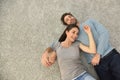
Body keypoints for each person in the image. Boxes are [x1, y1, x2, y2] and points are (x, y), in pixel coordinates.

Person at [41, 12, 120, 80]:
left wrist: (98, 54)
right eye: (67, 20)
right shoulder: (73, 38)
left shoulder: (90, 22)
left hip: (110, 55)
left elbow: (104, 33)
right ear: (67, 27)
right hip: (98, 65)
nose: (70, 19)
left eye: (70, 16)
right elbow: (52, 47)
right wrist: (45, 55)